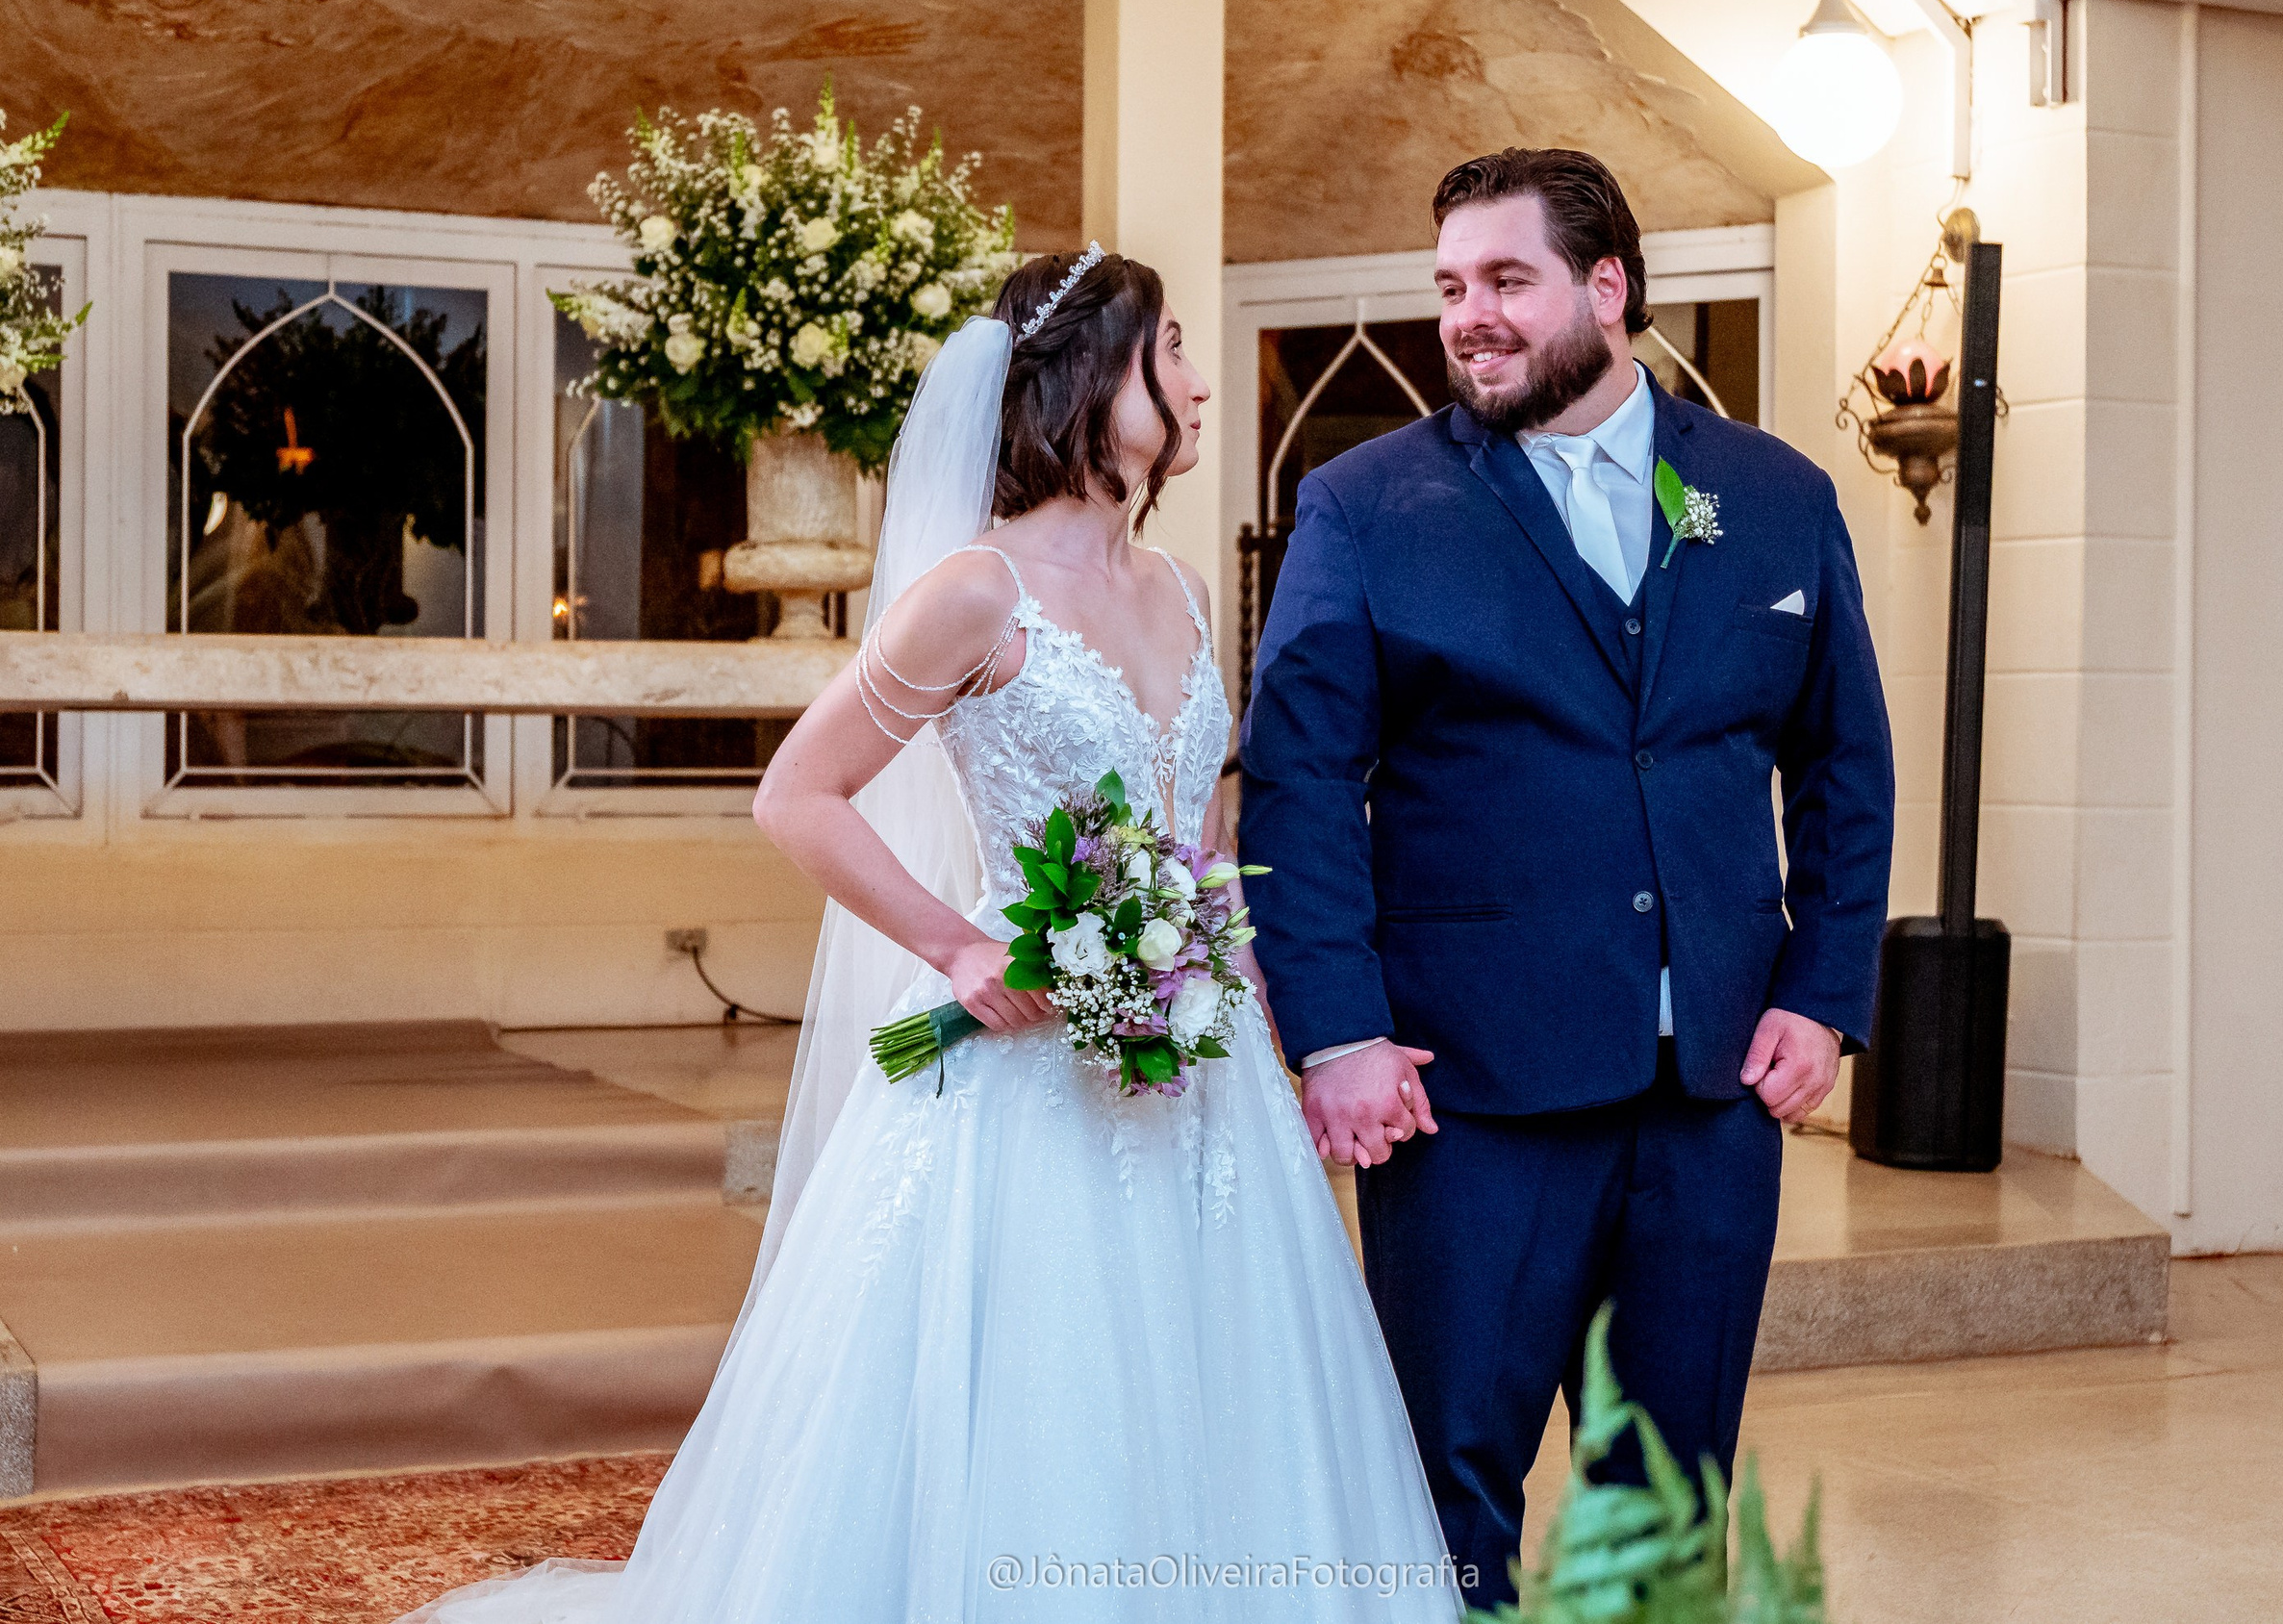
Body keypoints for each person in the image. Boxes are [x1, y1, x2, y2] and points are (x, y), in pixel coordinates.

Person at [397, 250, 1460, 1622]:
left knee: (1234, 1387)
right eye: (1174, 349)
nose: (1201, 383)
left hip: (1202, 1080)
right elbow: (798, 794)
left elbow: (1201, 842)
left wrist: (1258, 998)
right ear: (1091, 378)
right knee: (1042, 1392)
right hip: (1023, 1072)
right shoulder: (975, 591)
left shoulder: (1190, 591)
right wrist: (961, 948)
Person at [1238, 147, 1894, 1611]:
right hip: (1466, 1090)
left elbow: (1845, 763)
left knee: (1667, 1495)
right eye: (1450, 286)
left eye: (1505, 280)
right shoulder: (1364, 505)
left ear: (1608, 288)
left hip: (1712, 1088)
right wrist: (1337, 1033)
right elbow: (1297, 786)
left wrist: (1822, 992)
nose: (1468, 316)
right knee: (1442, 1486)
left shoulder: (1772, 495)